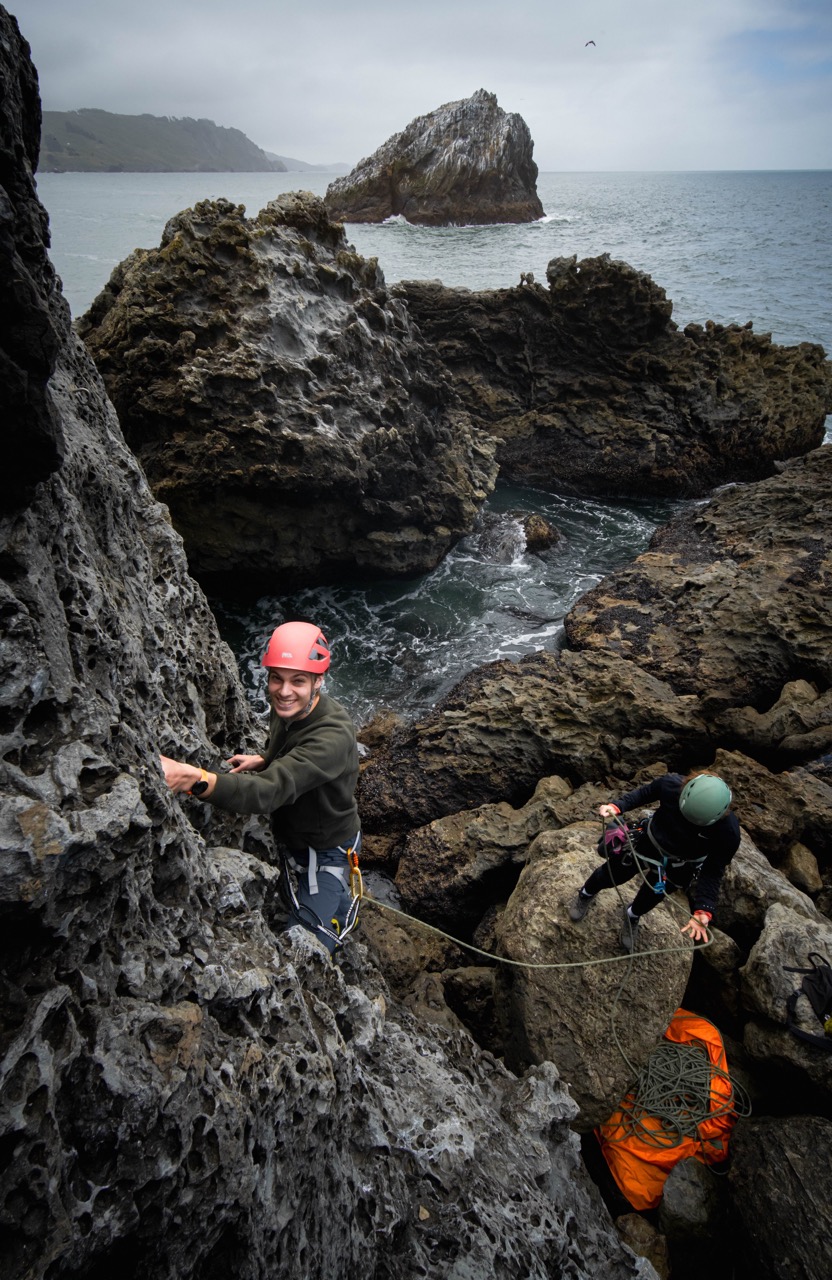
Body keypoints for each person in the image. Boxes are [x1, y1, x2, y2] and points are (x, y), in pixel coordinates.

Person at [160, 621, 361, 955]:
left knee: (307, 943)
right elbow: (289, 748)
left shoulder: (332, 737)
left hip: (325, 848)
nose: (283, 691)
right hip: (299, 834)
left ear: (318, 681)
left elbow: (267, 793)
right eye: (276, 678)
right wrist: (266, 759)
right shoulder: (292, 707)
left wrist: (191, 778)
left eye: (298, 680)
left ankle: (336, 919)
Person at [568, 772, 740, 953]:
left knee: (651, 896)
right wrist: (617, 806)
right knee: (613, 873)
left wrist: (703, 909)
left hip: (680, 865)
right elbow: (644, 794)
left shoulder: (728, 833)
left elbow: (713, 870)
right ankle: (585, 894)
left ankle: (632, 914)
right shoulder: (671, 785)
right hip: (649, 842)